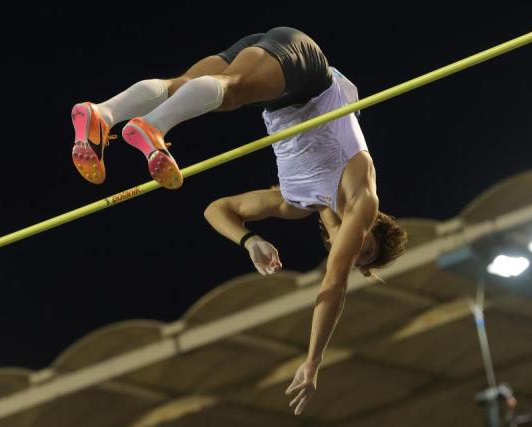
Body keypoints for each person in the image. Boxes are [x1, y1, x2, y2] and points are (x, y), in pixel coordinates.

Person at [70, 27, 408, 415]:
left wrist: (249, 242)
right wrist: (313, 361)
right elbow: (333, 286)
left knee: (181, 86)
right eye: (364, 247)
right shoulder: (363, 197)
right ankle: (153, 128)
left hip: (276, 84)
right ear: (373, 222)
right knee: (230, 91)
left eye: (357, 257)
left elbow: (218, 209)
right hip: (308, 76)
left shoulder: (293, 203)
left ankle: (102, 114)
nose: (351, 250)